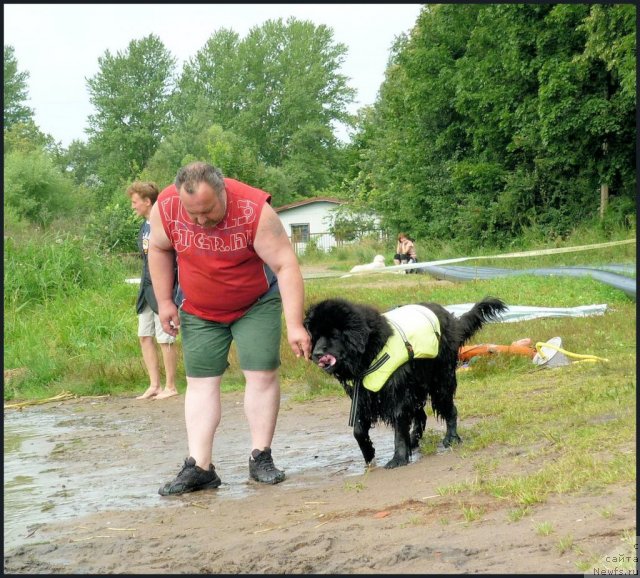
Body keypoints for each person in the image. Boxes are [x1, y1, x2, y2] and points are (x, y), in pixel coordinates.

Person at [148, 162, 311, 495]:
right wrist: (164, 301)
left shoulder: (254, 210)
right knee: (200, 383)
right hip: (199, 307)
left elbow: (285, 264)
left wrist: (295, 324)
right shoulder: (164, 208)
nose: (201, 221)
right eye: (192, 214)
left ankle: (260, 457)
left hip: (255, 303)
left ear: (223, 191)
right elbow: (160, 248)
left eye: (208, 211)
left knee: (261, 373)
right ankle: (200, 467)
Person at [127, 181, 182, 401]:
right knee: (144, 336)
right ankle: (154, 385)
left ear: (147, 201)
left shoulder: (165, 225)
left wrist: (170, 291)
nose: (133, 207)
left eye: (135, 202)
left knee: (165, 337)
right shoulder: (144, 227)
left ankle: (171, 386)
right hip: (146, 287)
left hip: (163, 288)